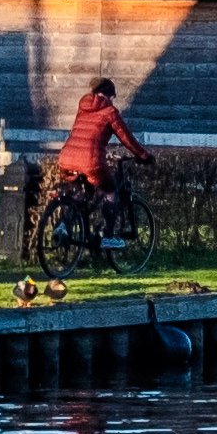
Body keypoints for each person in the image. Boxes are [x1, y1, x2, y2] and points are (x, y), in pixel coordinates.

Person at [43, 76, 153, 281]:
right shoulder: (110, 112)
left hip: (67, 158)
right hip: (90, 161)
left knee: (81, 193)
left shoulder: (83, 106)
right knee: (110, 191)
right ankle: (108, 238)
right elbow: (126, 138)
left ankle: (64, 225)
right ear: (110, 95)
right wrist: (144, 156)